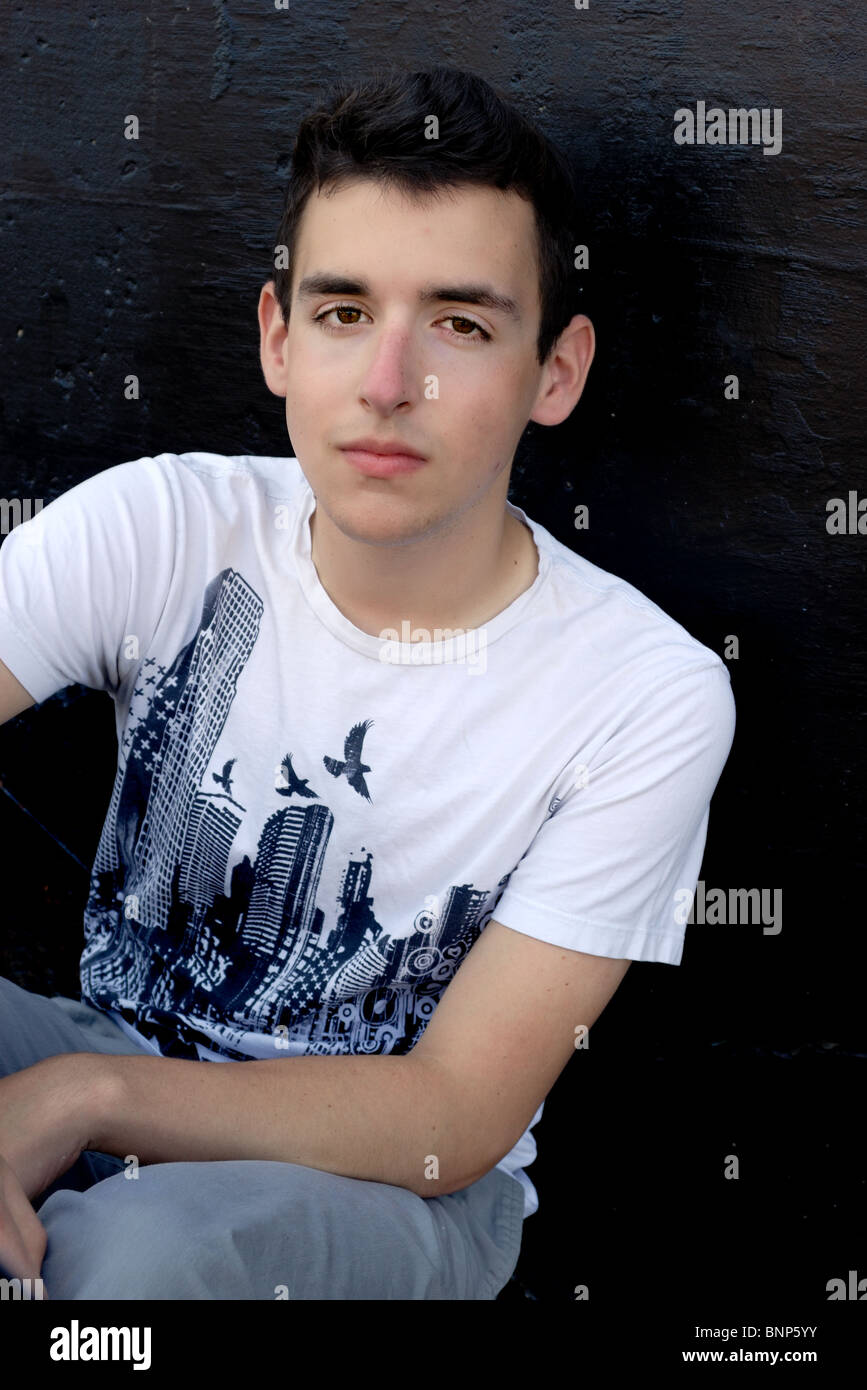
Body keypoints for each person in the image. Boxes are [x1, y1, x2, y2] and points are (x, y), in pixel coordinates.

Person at [0, 63, 735, 1300]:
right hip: (130, 1038)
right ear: (279, 338)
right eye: (344, 312)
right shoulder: (165, 527)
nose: (389, 382)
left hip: (402, 1181)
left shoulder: (642, 691)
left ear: (556, 369)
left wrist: (78, 1097)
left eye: (459, 322)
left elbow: (453, 1109)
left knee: (132, 1267)